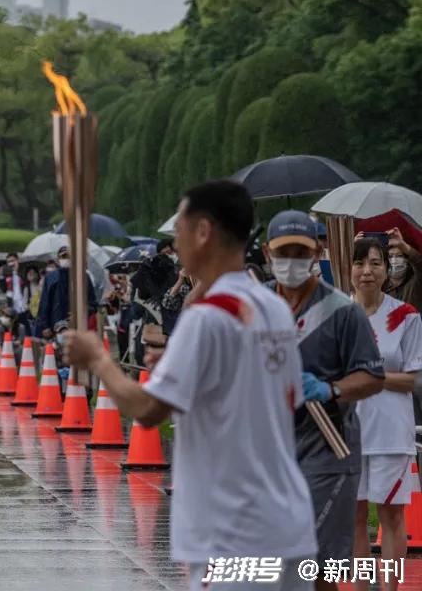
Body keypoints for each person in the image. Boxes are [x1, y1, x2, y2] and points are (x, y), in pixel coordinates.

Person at [64, 180, 317, 591]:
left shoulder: (207, 318)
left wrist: (99, 361)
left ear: (203, 232)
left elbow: (148, 409)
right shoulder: (273, 307)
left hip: (234, 532)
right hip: (288, 523)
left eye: (179, 230)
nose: (175, 243)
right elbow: (246, 384)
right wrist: (184, 364)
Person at [264, 210, 383, 591]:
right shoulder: (256, 306)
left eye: (301, 252)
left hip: (328, 448)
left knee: (315, 566)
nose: (292, 262)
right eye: (284, 253)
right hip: (270, 449)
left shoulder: (342, 312)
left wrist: (329, 389)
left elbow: (372, 376)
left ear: (317, 252)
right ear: (268, 254)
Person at [350, 237, 422, 588]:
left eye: (376, 263)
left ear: (385, 271)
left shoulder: (404, 316)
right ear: (348, 269)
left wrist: (371, 376)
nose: (367, 271)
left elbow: (413, 381)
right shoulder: (337, 316)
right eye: (360, 263)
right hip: (347, 434)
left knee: (391, 517)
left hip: (391, 433)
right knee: (355, 517)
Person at [34, 244, 97, 340]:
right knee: (57, 352)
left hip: (78, 326)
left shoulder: (83, 277)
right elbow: (45, 303)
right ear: (58, 259)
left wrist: (81, 312)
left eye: (69, 256)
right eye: (63, 256)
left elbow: (93, 303)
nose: (67, 259)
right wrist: (45, 325)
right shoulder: (51, 277)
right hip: (55, 326)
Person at [386, 227, 422, 311]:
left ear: (407, 260)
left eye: (399, 256)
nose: (394, 260)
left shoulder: (415, 284)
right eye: (390, 256)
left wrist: (402, 245)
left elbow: (420, 265)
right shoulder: (381, 286)